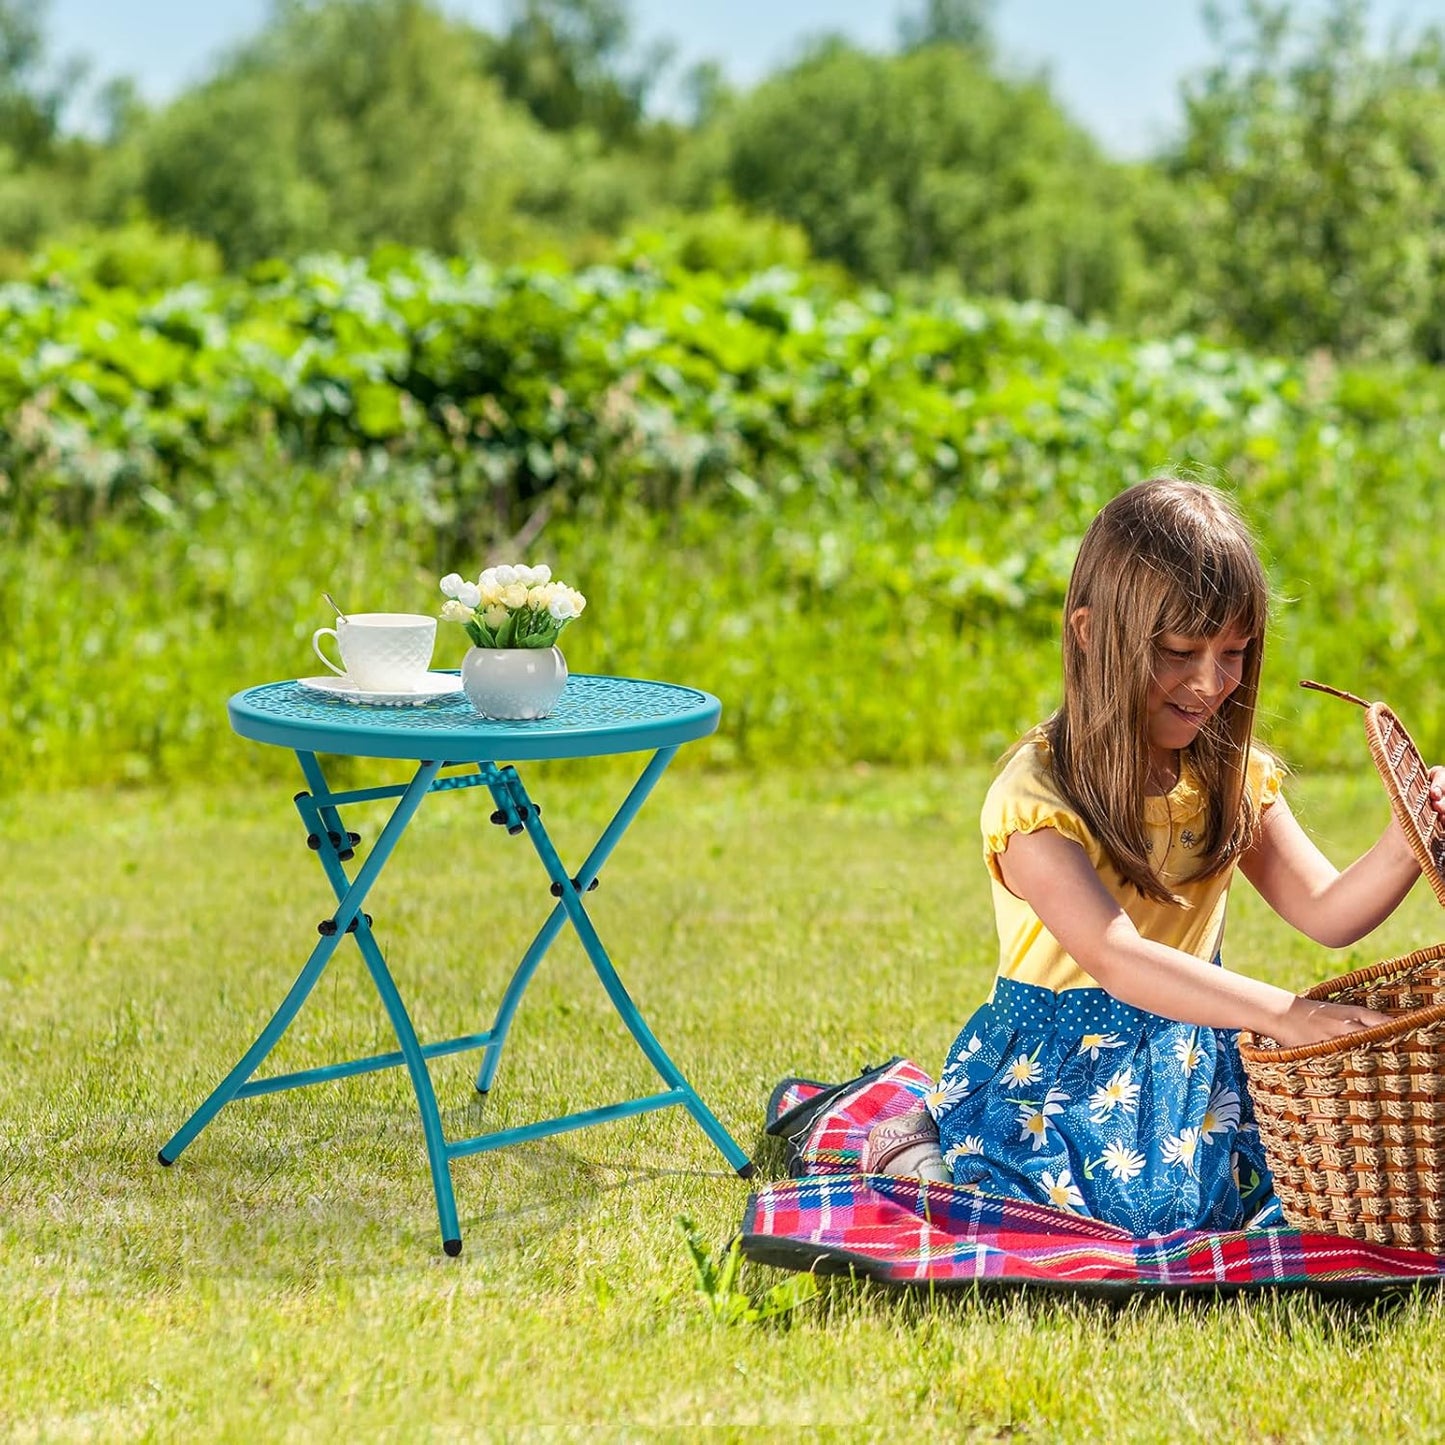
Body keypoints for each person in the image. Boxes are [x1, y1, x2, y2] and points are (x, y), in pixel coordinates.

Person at [864, 478, 1445, 1235]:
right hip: (1059, 1065)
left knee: (1310, 1183)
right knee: (1133, 1208)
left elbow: (1327, 912)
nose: (1210, 683)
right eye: (1177, 652)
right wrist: (1286, 1014)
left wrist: (1408, 837)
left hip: (1191, 1056)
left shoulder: (1231, 776)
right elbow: (1117, 958)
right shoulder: (1036, 796)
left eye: (1233, 652)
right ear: (1087, 630)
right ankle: (912, 1149)